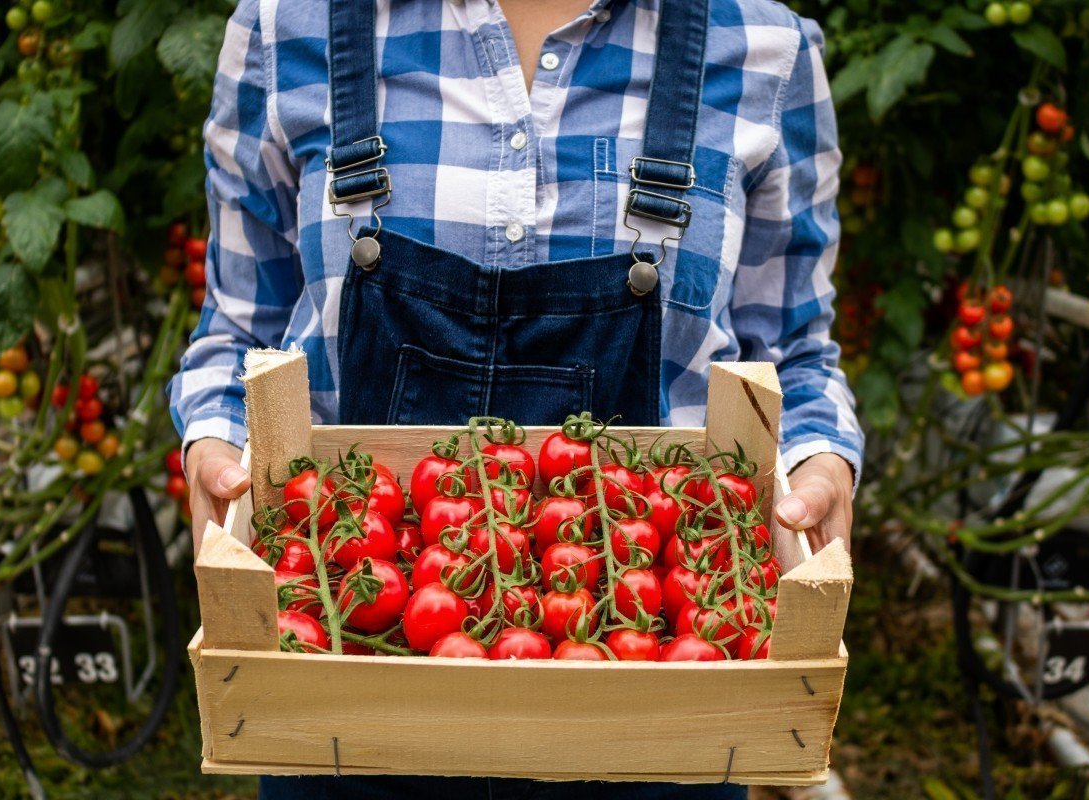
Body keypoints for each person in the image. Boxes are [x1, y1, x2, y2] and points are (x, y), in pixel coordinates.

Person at [170, 0, 864, 797]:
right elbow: (238, 327)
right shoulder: (288, 25)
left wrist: (817, 458)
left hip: (664, 706)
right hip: (339, 680)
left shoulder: (763, 48)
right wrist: (217, 444)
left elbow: (795, 356)